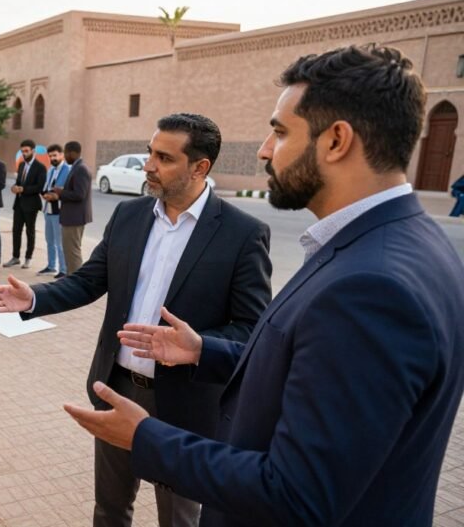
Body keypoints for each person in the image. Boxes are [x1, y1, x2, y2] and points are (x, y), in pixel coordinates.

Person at [65, 45, 464, 527]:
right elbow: (304, 364)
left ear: (336, 140)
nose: (264, 150)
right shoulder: (404, 242)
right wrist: (203, 351)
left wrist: (145, 438)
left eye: (280, 131)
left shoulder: (371, 286)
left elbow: (297, 493)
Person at [0, 114, 271, 527]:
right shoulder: (129, 215)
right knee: (110, 508)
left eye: (164, 158)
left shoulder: (242, 233)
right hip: (117, 388)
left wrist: (197, 347)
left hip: (184, 405)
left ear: (200, 167)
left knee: (179, 519)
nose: (149, 165)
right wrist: (34, 298)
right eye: (150, 153)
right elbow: (88, 281)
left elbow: (251, 330)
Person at [6, 139, 47, 269]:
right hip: (18, 204)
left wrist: (23, 189)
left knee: (30, 232)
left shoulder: (40, 167)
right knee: (16, 231)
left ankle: (28, 258)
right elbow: (19, 182)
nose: (24, 153)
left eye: (26, 151)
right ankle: (15, 257)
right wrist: (14, 187)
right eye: (22, 151)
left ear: (33, 151)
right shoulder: (21, 165)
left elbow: (39, 187)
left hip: (31, 205)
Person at [57, 141, 92, 274]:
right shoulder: (77, 167)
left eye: (65, 153)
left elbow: (79, 194)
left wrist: (61, 193)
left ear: (72, 153)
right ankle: (72, 278)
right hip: (72, 217)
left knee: (72, 253)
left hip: (74, 219)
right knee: (70, 252)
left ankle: (75, 281)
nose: (64, 156)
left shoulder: (81, 169)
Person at [37, 144, 70, 278]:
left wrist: (55, 195)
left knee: (60, 242)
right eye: (50, 156)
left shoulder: (68, 170)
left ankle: (64, 270)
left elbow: (66, 191)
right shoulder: (50, 169)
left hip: (59, 211)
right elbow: (46, 187)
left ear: (62, 155)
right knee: (49, 240)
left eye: (55, 155)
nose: (52, 158)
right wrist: (45, 194)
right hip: (48, 209)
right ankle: (51, 266)